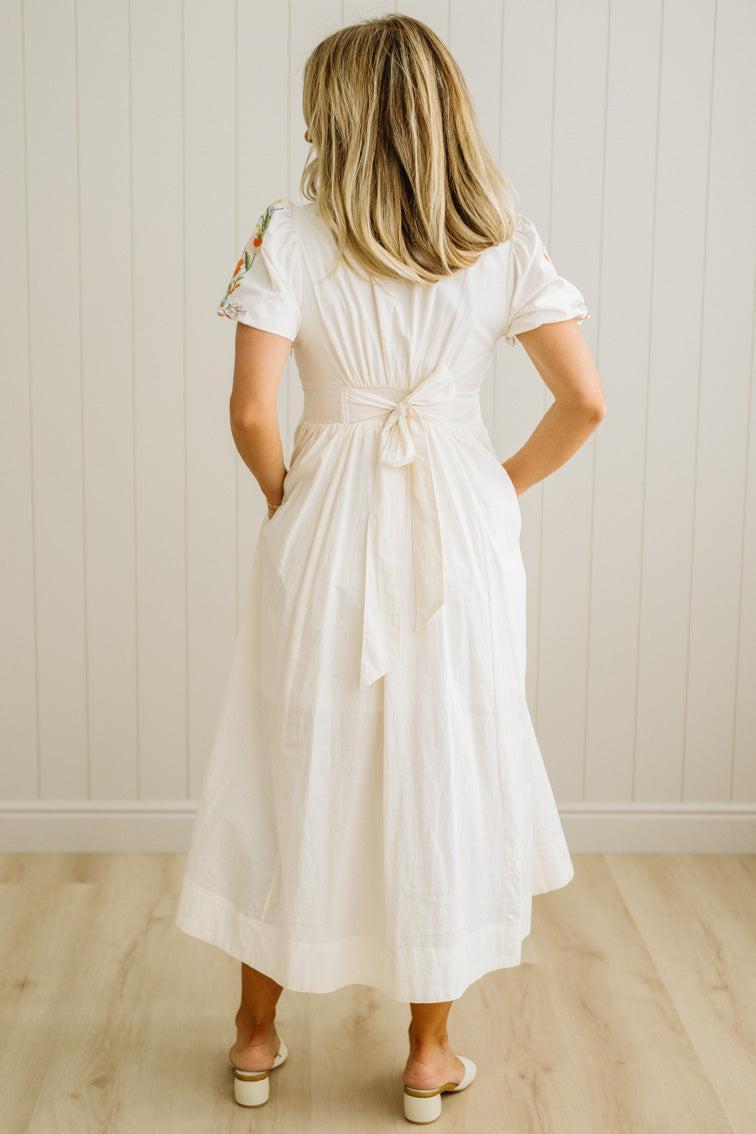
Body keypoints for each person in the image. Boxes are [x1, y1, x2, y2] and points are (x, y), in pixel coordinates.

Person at [174, 12, 605, 1124]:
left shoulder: (291, 230)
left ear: (340, 112)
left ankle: (258, 1038)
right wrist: (496, 486)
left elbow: (250, 409)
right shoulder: (502, 236)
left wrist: (288, 501)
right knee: (446, 758)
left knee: (291, 756)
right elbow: (586, 402)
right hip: (460, 516)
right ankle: (427, 1058)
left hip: (328, 517)